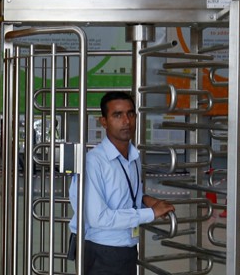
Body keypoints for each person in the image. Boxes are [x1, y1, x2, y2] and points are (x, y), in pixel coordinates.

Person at [69, 91, 175, 275]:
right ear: (103, 121)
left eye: (130, 114)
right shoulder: (93, 162)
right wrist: (150, 213)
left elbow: (126, 196)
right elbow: (98, 218)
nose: (126, 121)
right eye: (117, 115)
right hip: (101, 251)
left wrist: (146, 199)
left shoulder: (133, 157)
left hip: (126, 248)